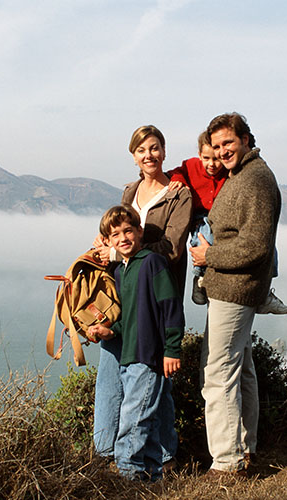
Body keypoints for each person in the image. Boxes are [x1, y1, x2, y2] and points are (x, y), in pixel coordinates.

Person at [91, 125, 192, 467]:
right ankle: (110, 453)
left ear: (164, 151)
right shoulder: (130, 190)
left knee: (152, 382)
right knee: (115, 380)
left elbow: (172, 249)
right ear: (133, 156)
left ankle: (150, 459)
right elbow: (117, 230)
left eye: (154, 148)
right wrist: (103, 248)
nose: (148, 155)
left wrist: (120, 254)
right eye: (141, 150)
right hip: (126, 297)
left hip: (156, 297)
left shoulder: (179, 194)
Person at [190, 112, 281, 476]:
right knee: (240, 370)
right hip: (230, 287)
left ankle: (227, 464)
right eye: (216, 146)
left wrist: (208, 254)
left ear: (245, 139)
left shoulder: (256, 179)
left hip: (236, 288)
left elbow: (257, 245)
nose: (222, 150)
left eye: (228, 142)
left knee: (217, 373)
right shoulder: (239, 176)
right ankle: (245, 450)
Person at [87, 205, 184, 481]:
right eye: (115, 234)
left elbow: (171, 308)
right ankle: (152, 478)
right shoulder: (121, 272)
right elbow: (127, 317)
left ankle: (127, 477)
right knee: (148, 421)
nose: (123, 238)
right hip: (128, 357)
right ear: (107, 241)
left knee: (133, 419)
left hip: (149, 356)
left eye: (128, 231)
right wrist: (110, 331)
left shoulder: (153, 262)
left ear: (140, 231)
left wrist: (172, 350)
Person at [168, 132, 287, 314]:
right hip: (200, 217)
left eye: (216, 159)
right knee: (206, 237)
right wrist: (178, 181)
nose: (211, 164)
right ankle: (199, 279)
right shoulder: (191, 165)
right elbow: (176, 172)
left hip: (220, 217)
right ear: (199, 154)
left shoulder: (229, 171)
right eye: (206, 158)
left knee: (269, 248)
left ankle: (265, 292)